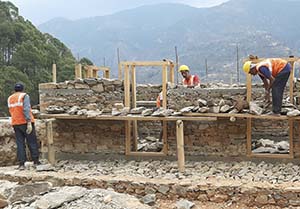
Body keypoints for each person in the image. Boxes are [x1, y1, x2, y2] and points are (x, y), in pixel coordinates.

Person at [7, 83, 40, 170]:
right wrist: (29, 121)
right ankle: (36, 161)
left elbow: (11, 110)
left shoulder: (10, 98)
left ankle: (21, 164)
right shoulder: (24, 96)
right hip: (25, 122)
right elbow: (26, 109)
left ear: (14, 90)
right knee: (32, 141)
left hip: (15, 123)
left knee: (20, 143)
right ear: (23, 89)